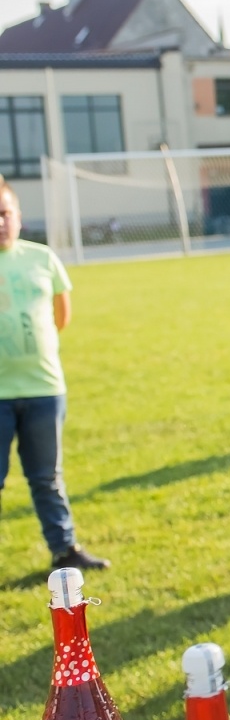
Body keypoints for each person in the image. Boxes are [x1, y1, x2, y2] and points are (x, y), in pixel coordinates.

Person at [0, 181, 109, 572]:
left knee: (47, 478)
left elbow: (61, 316)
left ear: (18, 216)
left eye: (5, 213)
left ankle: (64, 550)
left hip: (44, 389)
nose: (1, 222)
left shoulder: (42, 258)